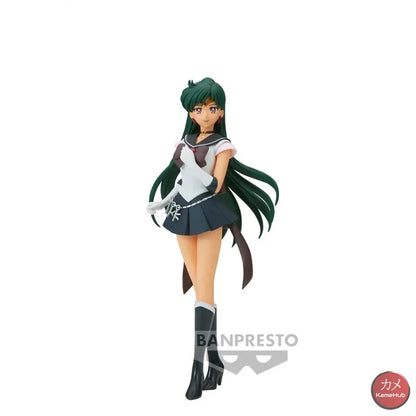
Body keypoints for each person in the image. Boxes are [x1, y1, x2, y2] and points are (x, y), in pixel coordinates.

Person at [147, 77, 279, 400]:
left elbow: (214, 185)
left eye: (211, 108)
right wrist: (163, 201)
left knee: (204, 288)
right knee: (202, 289)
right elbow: (181, 181)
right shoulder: (186, 141)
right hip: (180, 213)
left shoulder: (222, 145)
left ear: (220, 112)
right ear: (190, 113)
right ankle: (215, 361)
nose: (205, 114)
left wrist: (190, 164)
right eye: (198, 109)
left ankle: (196, 368)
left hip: (209, 213)